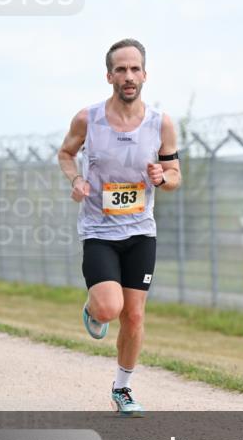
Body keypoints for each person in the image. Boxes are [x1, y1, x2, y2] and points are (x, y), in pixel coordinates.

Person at [56, 38, 181, 416]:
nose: (128, 76)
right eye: (121, 69)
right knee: (111, 308)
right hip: (99, 230)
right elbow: (65, 154)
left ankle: (122, 389)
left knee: (135, 314)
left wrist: (163, 177)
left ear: (145, 74)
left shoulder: (161, 123)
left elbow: (175, 174)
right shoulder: (87, 119)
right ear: (109, 75)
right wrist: (76, 179)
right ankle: (95, 311)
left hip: (141, 230)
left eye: (135, 69)